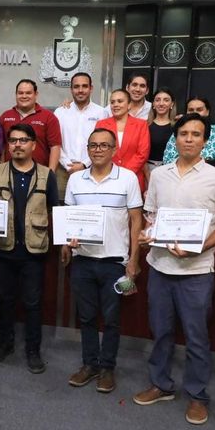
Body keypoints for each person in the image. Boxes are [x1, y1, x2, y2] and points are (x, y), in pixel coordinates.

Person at [134, 112, 215, 426]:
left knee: (196, 336)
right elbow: (151, 216)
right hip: (160, 266)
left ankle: (197, 395)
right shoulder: (160, 174)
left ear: (205, 141)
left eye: (195, 134)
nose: (188, 139)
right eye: (183, 134)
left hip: (196, 271)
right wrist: (147, 235)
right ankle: (161, 384)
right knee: (161, 331)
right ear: (175, 138)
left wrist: (199, 246)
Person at [60, 128, 143, 393]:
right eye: (93, 145)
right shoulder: (76, 180)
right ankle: (89, 364)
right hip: (83, 259)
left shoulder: (128, 178)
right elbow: (68, 219)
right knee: (86, 317)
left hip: (114, 262)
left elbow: (135, 221)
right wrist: (65, 243)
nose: (97, 150)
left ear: (114, 149)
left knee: (111, 319)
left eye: (104, 145)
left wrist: (133, 261)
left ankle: (107, 367)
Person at [0, 123, 58, 374]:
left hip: (34, 250)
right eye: (13, 141)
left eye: (23, 140)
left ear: (34, 145)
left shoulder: (47, 175)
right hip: (4, 249)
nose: (18, 145)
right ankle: (5, 343)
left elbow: (54, 210)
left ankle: (33, 350)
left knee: (33, 303)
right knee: (4, 300)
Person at [54, 72, 110, 199]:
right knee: (61, 209)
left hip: (93, 169)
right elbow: (56, 143)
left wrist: (84, 164)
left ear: (91, 88)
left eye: (84, 86)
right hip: (64, 170)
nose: (80, 90)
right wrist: (68, 165)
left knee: (88, 207)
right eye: (76, 86)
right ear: (71, 89)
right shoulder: (60, 112)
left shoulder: (101, 113)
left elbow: (103, 143)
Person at [0, 79, 62, 172]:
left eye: (28, 93)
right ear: (16, 94)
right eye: (20, 93)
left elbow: (55, 147)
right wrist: (1, 171)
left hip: (39, 175)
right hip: (10, 173)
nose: (24, 96)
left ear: (36, 94)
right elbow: (2, 147)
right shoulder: (5, 116)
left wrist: (50, 174)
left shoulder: (49, 117)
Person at [95, 89, 150, 192]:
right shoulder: (101, 124)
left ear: (129, 105)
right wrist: (112, 174)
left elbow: (142, 153)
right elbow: (98, 150)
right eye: (112, 102)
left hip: (133, 179)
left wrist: (123, 174)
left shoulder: (141, 125)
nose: (115, 104)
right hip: (106, 178)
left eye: (120, 101)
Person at [162, 96, 215, 164]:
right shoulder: (180, 131)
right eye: (191, 110)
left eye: (199, 109)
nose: (195, 113)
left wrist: (198, 158)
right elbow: (167, 158)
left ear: (207, 111)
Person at [144, 88, 176, 186]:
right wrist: (149, 179)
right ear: (153, 104)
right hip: (148, 172)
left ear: (172, 104)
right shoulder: (144, 126)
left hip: (172, 172)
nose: (161, 103)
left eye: (166, 100)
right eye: (157, 100)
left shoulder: (178, 127)